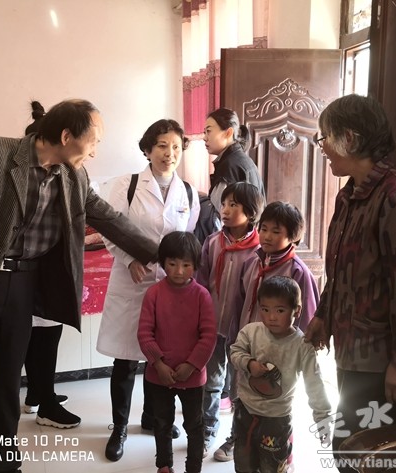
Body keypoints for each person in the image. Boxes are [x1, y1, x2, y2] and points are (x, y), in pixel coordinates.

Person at [0, 99, 160, 473]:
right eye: (94, 140)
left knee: (7, 382)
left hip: (23, 285)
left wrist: (165, 255)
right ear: (66, 136)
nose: (95, 151)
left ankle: (4, 464)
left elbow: (110, 219)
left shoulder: (74, 176)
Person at [304, 94, 396, 472]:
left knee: (367, 453)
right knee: (349, 449)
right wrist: (323, 315)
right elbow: (341, 270)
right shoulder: (350, 195)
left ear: (349, 138)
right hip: (351, 349)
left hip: (380, 359)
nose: (322, 147)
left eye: (324, 138)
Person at [96, 119, 200, 462]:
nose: (170, 153)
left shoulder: (188, 192)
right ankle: (119, 427)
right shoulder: (126, 185)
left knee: (159, 357)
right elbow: (109, 228)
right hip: (132, 282)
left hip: (168, 289)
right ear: (148, 149)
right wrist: (129, 260)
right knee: (126, 359)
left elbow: (185, 239)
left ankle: (152, 417)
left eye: (176, 147)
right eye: (162, 146)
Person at [213, 200, 320, 463]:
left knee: (275, 398)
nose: (268, 236)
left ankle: (282, 448)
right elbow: (239, 300)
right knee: (243, 391)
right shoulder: (252, 261)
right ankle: (240, 436)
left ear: (292, 236)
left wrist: (302, 350)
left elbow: (307, 316)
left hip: (280, 351)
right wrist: (234, 336)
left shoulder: (298, 271)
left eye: (276, 231)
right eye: (264, 229)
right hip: (250, 342)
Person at [230, 276, 331, 473]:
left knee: (272, 465)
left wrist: (322, 417)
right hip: (245, 411)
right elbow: (235, 352)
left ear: (297, 311)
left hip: (276, 418)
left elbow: (314, 383)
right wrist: (249, 364)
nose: (271, 317)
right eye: (265, 309)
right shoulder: (250, 332)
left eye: (280, 310)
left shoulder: (302, 345)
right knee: (243, 462)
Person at [137, 231, 217, 473]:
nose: (179, 271)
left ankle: (193, 467)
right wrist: (159, 364)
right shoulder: (154, 293)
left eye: (186, 265)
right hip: (159, 376)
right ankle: (164, 465)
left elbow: (208, 336)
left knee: (194, 425)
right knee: (161, 423)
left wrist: (192, 365)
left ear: (195, 265)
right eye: (172, 264)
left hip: (192, 377)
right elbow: (144, 333)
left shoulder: (202, 295)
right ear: (163, 263)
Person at [195, 181, 264, 454]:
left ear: (251, 212)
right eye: (223, 204)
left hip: (243, 332)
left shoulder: (259, 250)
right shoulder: (213, 242)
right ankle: (208, 429)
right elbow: (201, 284)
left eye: (233, 204)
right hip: (213, 326)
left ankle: (237, 436)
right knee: (211, 381)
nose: (224, 210)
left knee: (239, 386)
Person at [19, 101, 71, 426]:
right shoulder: (27, 178)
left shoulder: (60, 174)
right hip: (39, 271)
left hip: (36, 271)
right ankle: (45, 400)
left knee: (35, 336)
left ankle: (36, 394)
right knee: (45, 337)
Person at [196, 107, 265, 244]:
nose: (204, 137)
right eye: (204, 132)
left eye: (209, 131)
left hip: (235, 243)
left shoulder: (229, 165)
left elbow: (218, 215)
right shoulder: (240, 160)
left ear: (228, 132)